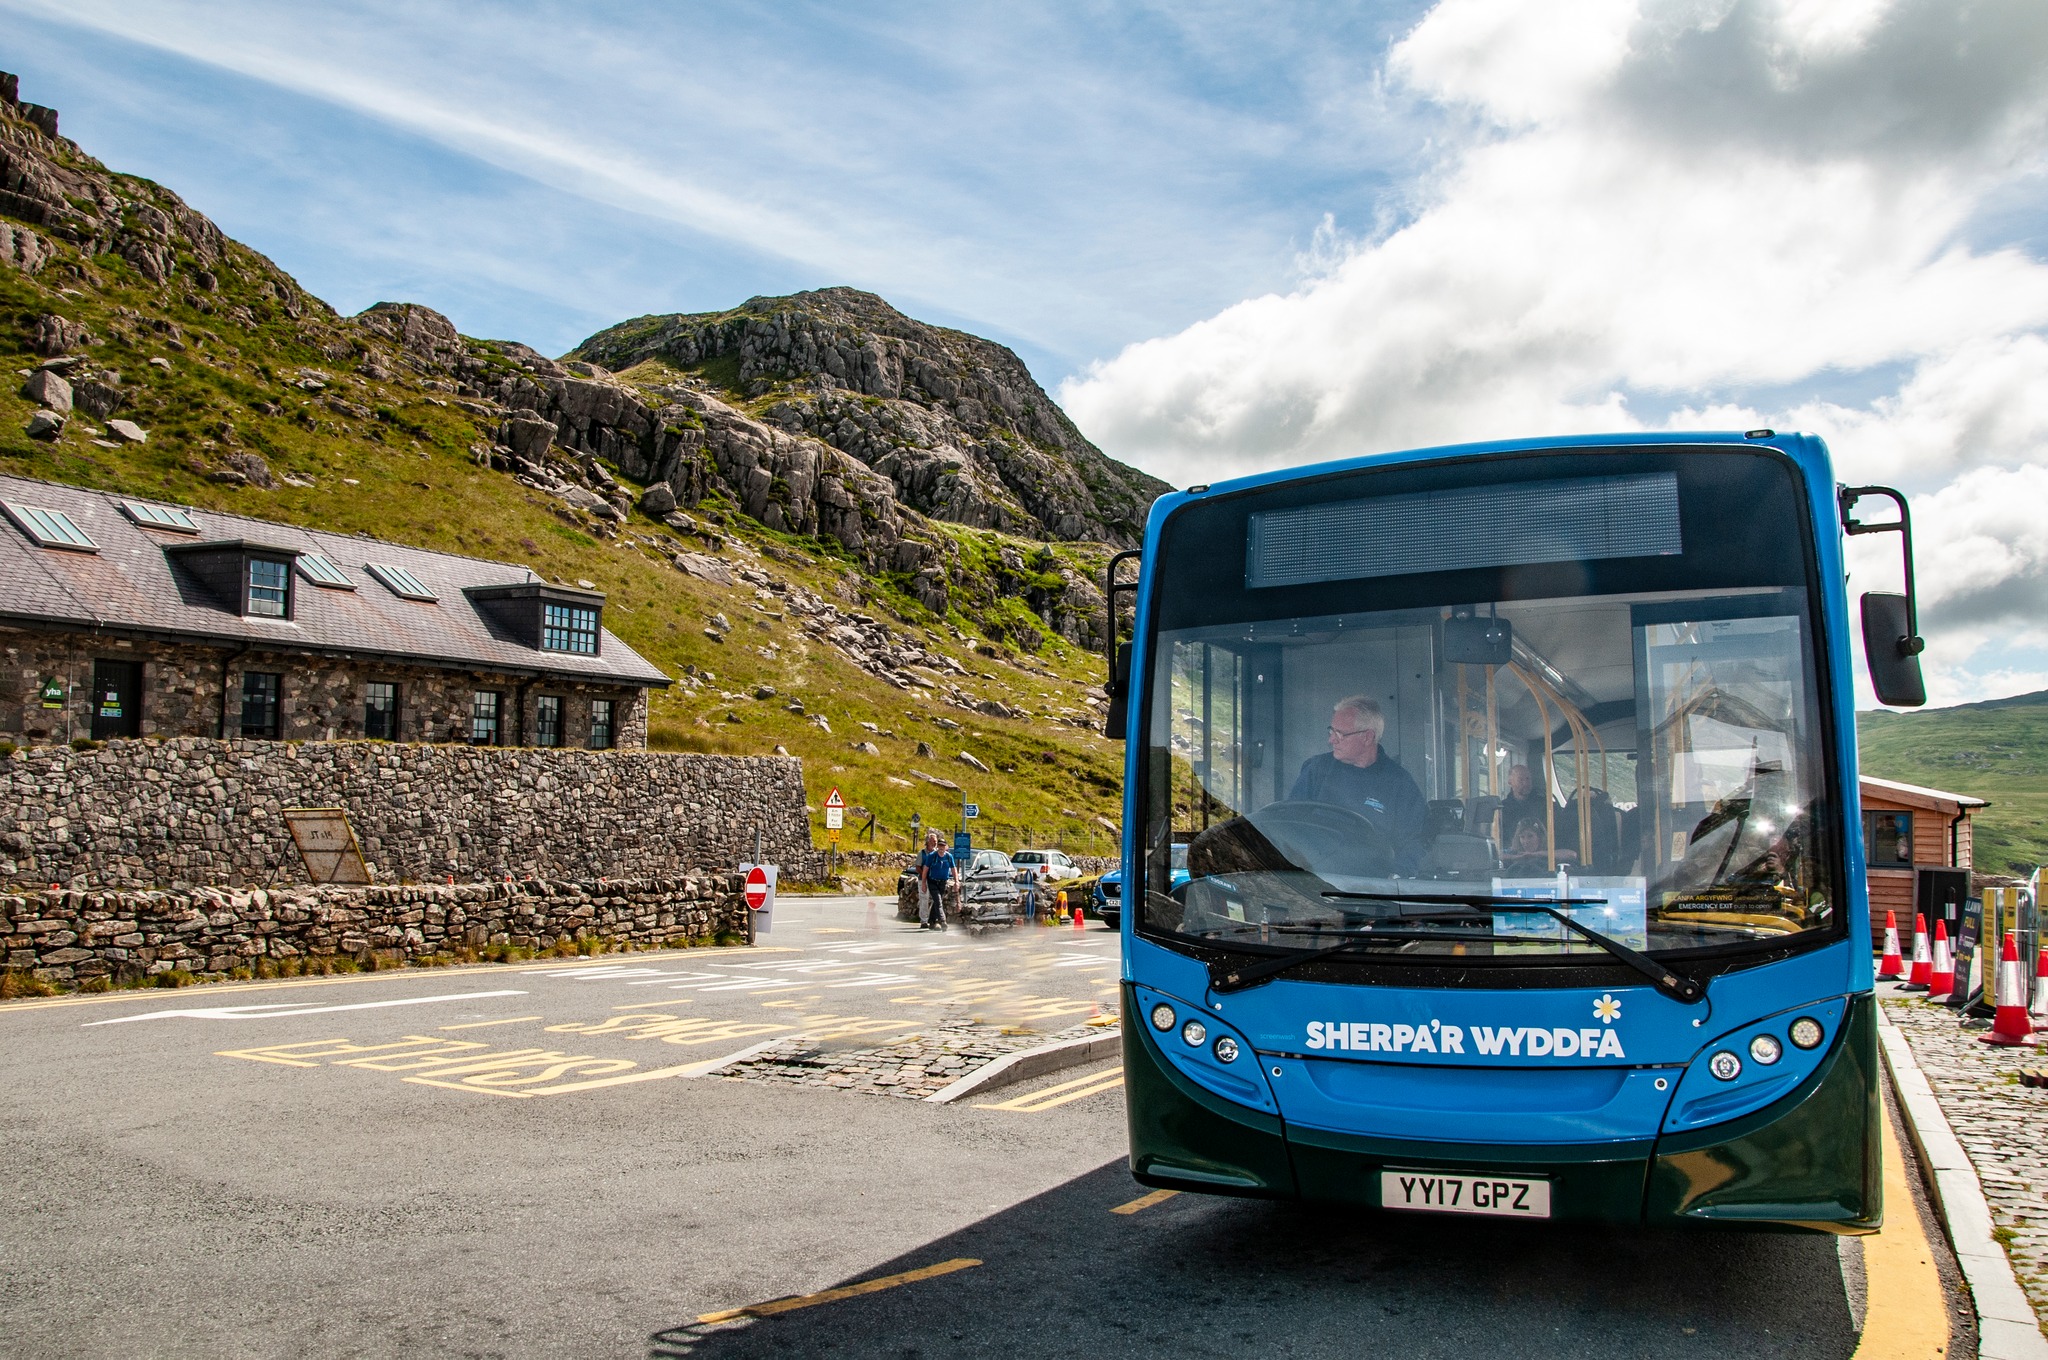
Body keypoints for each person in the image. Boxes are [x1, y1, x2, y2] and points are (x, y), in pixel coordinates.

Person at [1288, 695, 1429, 874]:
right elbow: (1290, 825)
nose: (1331, 740)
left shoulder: (1400, 785)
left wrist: (1391, 880)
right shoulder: (1316, 771)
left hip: (1369, 889)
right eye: (1331, 731)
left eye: (1340, 734)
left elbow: (1413, 844)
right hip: (1316, 883)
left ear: (1367, 737)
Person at [1495, 764, 1552, 850]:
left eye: (1528, 779)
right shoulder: (1502, 809)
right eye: (1520, 780)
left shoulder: (1545, 805)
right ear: (1510, 782)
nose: (1525, 783)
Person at [917, 831, 955, 930]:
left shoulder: (947, 856)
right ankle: (937, 921)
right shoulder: (926, 854)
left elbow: (953, 869)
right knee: (930, 900)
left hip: (941, 881)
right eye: (933, 841)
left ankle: (932, 921)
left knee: (936, 901)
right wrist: (924, 881)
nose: (934, 843)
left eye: (936, 841)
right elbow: (921, 868)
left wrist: (957, 881)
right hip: (930, 880)